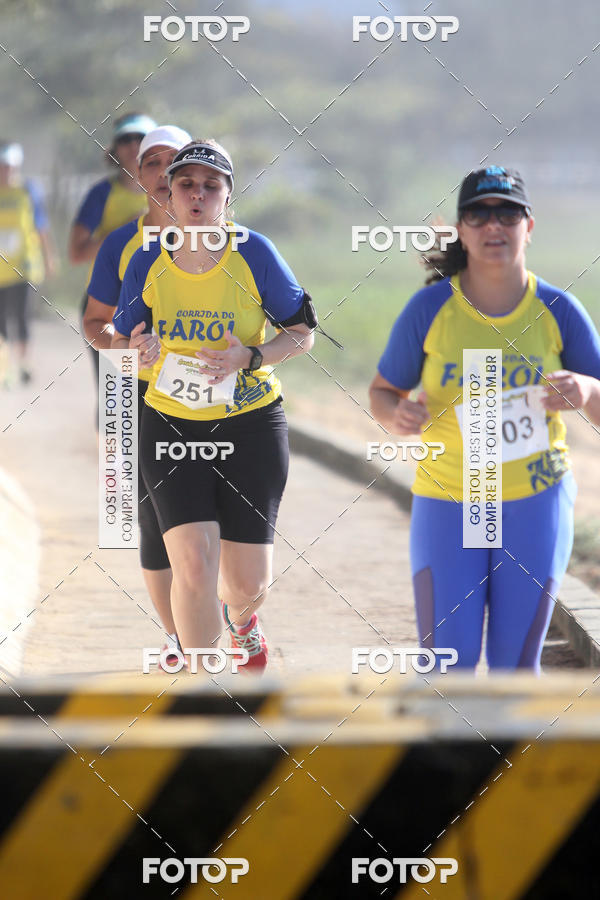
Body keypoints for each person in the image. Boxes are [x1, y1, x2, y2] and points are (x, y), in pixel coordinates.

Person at [369, 166, 600, 672]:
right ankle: (447, 755)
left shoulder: (559, 309)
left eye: (507, 213)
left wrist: (585, 390)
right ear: (462, 230)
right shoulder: (429, 310)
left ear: (529, 226)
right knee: (449, 665)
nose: (494, 226)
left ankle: (511, 755)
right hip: (450, 498)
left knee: (515, 668)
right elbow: (382, 394)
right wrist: (398, 416)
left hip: (534, 500)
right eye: (479, 214)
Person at [112, 139, 315, 672]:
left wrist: (252, 355)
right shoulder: (148, 261)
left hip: (249, 424)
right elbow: (125, 342)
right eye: (186, 184)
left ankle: (242, 622)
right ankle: (203, 699)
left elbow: (301, 333)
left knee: (248, 584)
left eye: (211, 185)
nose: (197, 194)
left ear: (228, 196)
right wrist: (140, 349)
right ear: (170, 196)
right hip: (170, 424)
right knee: (194, 568)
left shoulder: (255, 254)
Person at [84, 125, 191, 663]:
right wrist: (125, 349)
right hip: (137, 394)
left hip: (217, 401)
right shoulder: (120, 244)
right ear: (138, 174)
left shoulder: (234, 243)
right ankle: (176, 634)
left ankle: (229, 616)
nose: (163, 172)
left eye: (176, 162)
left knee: (213, 513)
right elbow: (95, 322)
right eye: (152, 162)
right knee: (145, 517)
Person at [69, 112, 156, 404]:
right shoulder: (101, 194)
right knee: (116, 398)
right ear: (114, 149)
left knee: (153, 397)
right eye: (125, 139)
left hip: (161, 305)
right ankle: (107, 450)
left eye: (141, 138)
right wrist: (125, 231)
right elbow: (76, 253)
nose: (133, 145)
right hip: (107, 305)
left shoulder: (176, 191)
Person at [0, 141, 56, 385]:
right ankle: (4, 369)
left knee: (21, 318)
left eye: (9, 166)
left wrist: (49, 257)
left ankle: (22, 364)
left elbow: (41, 226)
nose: (5, 171)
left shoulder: (28, 190)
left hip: (24, 269)